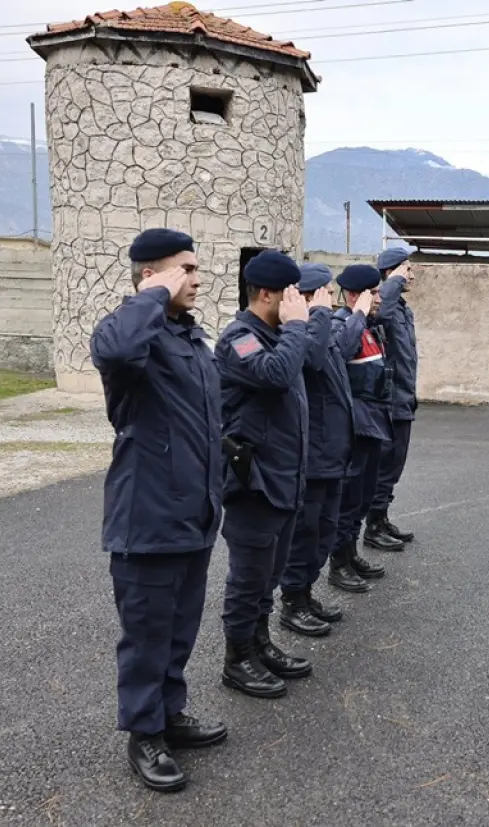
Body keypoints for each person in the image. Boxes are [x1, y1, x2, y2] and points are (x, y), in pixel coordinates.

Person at [90, 228, 227, 793]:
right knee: (146, 633)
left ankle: (169, 714)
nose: (196, 280)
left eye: (195, 270)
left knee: (178, 630)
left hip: (192, 514)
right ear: (152, 275)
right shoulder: (130, 337)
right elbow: (115, 347)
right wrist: (152, 293)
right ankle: (144, 732)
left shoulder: (189, 340)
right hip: (146, 517)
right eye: (184, 270)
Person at [217, 249, 326, 700]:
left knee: (270, 572)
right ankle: (237, 657)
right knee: (249, 576)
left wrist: (294, 328)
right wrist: (300, 324)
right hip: (253, 483)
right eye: (292, 295)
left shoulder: (279, 335)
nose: (298, 303)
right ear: (268, 294)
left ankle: (261, 643)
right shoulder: (239, 339)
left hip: (283, 478)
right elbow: (279, 376)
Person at [276, 263, 378, 636]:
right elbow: (314, 358)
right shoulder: (301, 332)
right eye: (321, 295)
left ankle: (305, 594)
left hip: (335, 451)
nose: (329, 301)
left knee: (323, 530)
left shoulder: (324, 330)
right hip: (315, 455)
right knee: (306, 532)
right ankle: (293, 601)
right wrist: (316, 314)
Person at [330, 264, 399, 591]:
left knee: (363, 497)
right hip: (355, 427)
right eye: (373, 293)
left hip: (374, 423)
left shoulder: (370, 327)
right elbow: (339, 353)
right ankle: (339, 563)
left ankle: (352, 552)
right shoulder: (342, 324)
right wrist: (357, 316)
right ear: (355, 295)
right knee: (349, 497)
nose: (379, 298)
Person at [365, 247, 418, 550]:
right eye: (406, 269)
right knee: (385, 465)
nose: (411, 275)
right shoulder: (385, 304)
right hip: (389, 399)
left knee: (395, 464)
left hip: (403, 395)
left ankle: (381, 518)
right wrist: (393, 282)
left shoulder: (402, 307)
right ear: (391, 273)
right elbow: (380, 313)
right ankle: (372, 527)